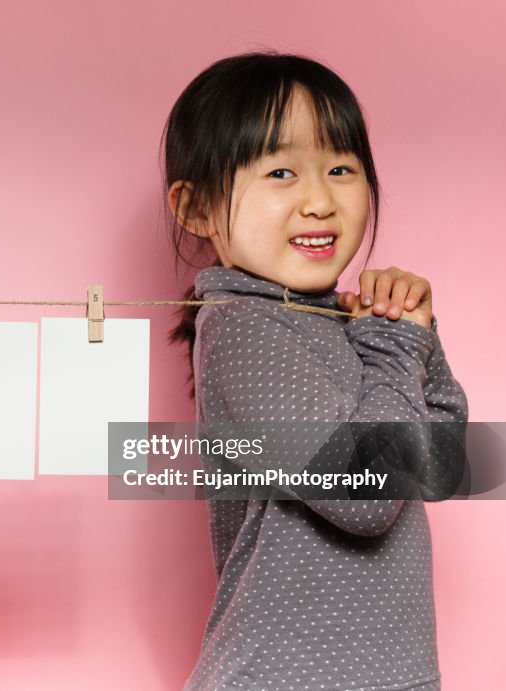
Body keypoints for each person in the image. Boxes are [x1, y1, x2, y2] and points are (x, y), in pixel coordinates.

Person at [161, 52, 469, 689]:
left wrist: (415, 334)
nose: (320, 200)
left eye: (339, 168)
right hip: (289, 676)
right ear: (195, 208)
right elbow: (367, 497)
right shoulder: (243, 327)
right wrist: (391, 348)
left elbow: (438, 467)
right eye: (280, 171)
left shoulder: (332, 320)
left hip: (390, 673)